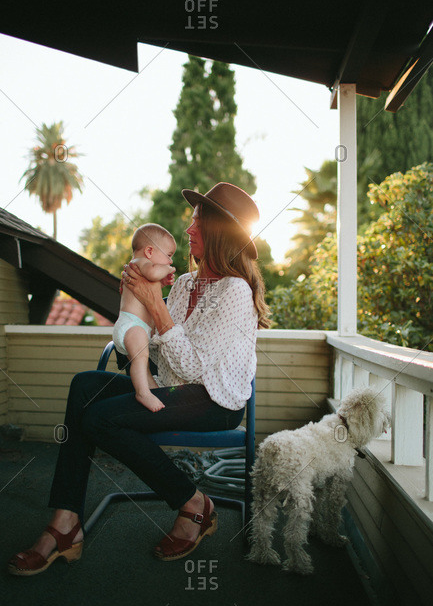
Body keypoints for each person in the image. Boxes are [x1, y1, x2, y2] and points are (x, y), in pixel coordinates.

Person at [7, 181, 271, 574]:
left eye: (197, 223)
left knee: (99, 418)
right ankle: (66, 523)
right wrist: (135, 307)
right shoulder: (182, 283)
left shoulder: (234, 291)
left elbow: (194, 369)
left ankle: (194, 503)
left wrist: (155, 309)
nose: (188, 231)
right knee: (84, 387)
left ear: (217, 233)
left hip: (214, 400)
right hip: (172, 385)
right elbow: (162, 351)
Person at [112, 223, 176, 412]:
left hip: (137, 327)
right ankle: (142, 393)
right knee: (141, 359)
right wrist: (167, 271)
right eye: (168, 255)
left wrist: (162, 281)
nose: (170, 262)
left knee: (143, 360)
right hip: (131, 326)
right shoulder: (139, 263)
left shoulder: (143, 268)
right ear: (149, 251)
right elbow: (153, 272)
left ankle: (151, 389)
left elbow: (151, 285)